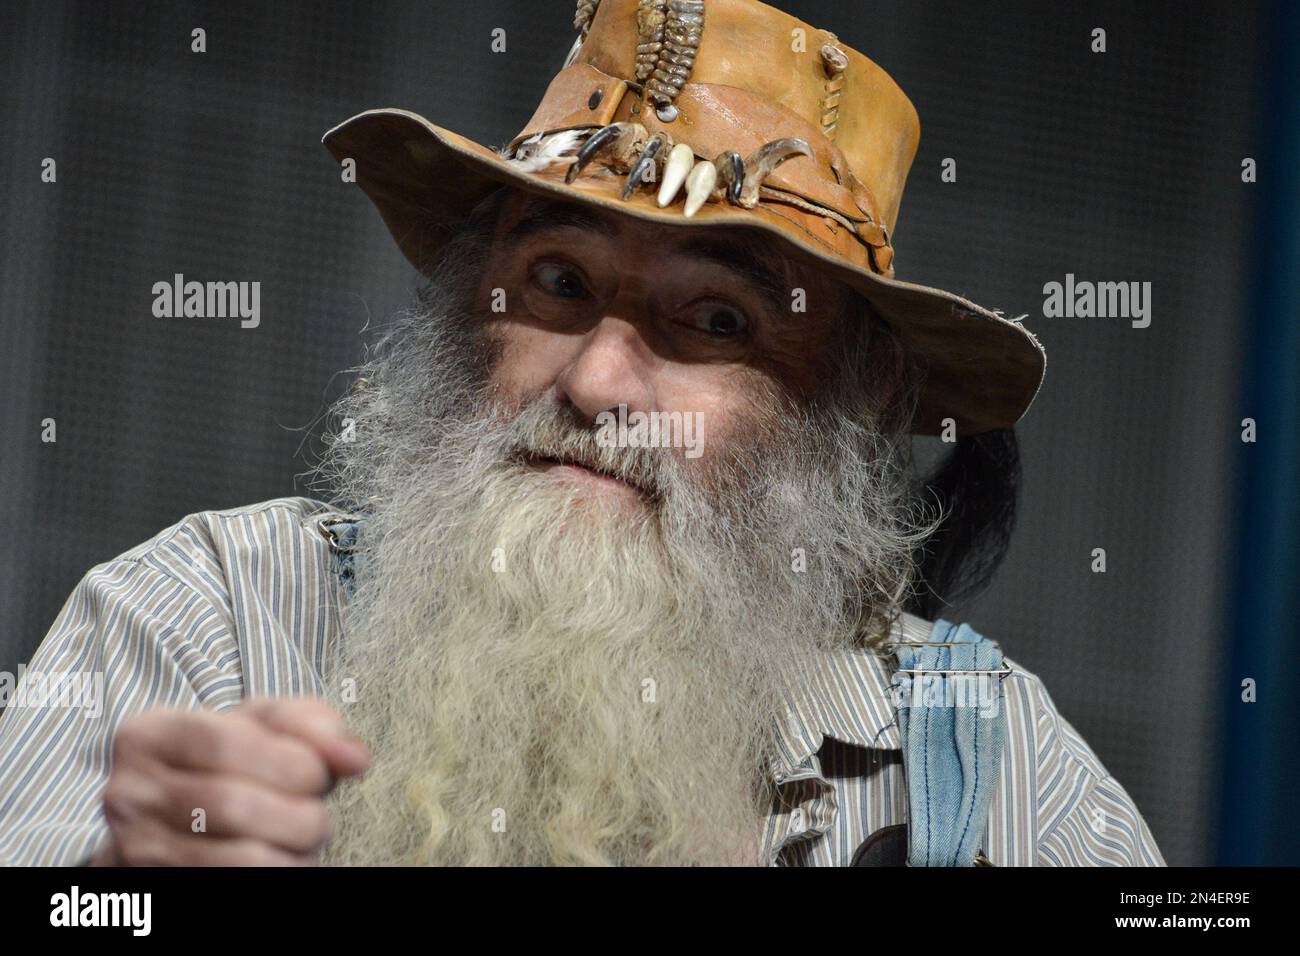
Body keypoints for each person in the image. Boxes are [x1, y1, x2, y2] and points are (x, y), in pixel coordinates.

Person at [0, 0, 1163, 867]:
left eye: (716, 320)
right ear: (469, 313)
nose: (602, 380)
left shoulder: (985, 754)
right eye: (558, 280)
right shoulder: (208, 617)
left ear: (837, 414)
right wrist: (117, 889)